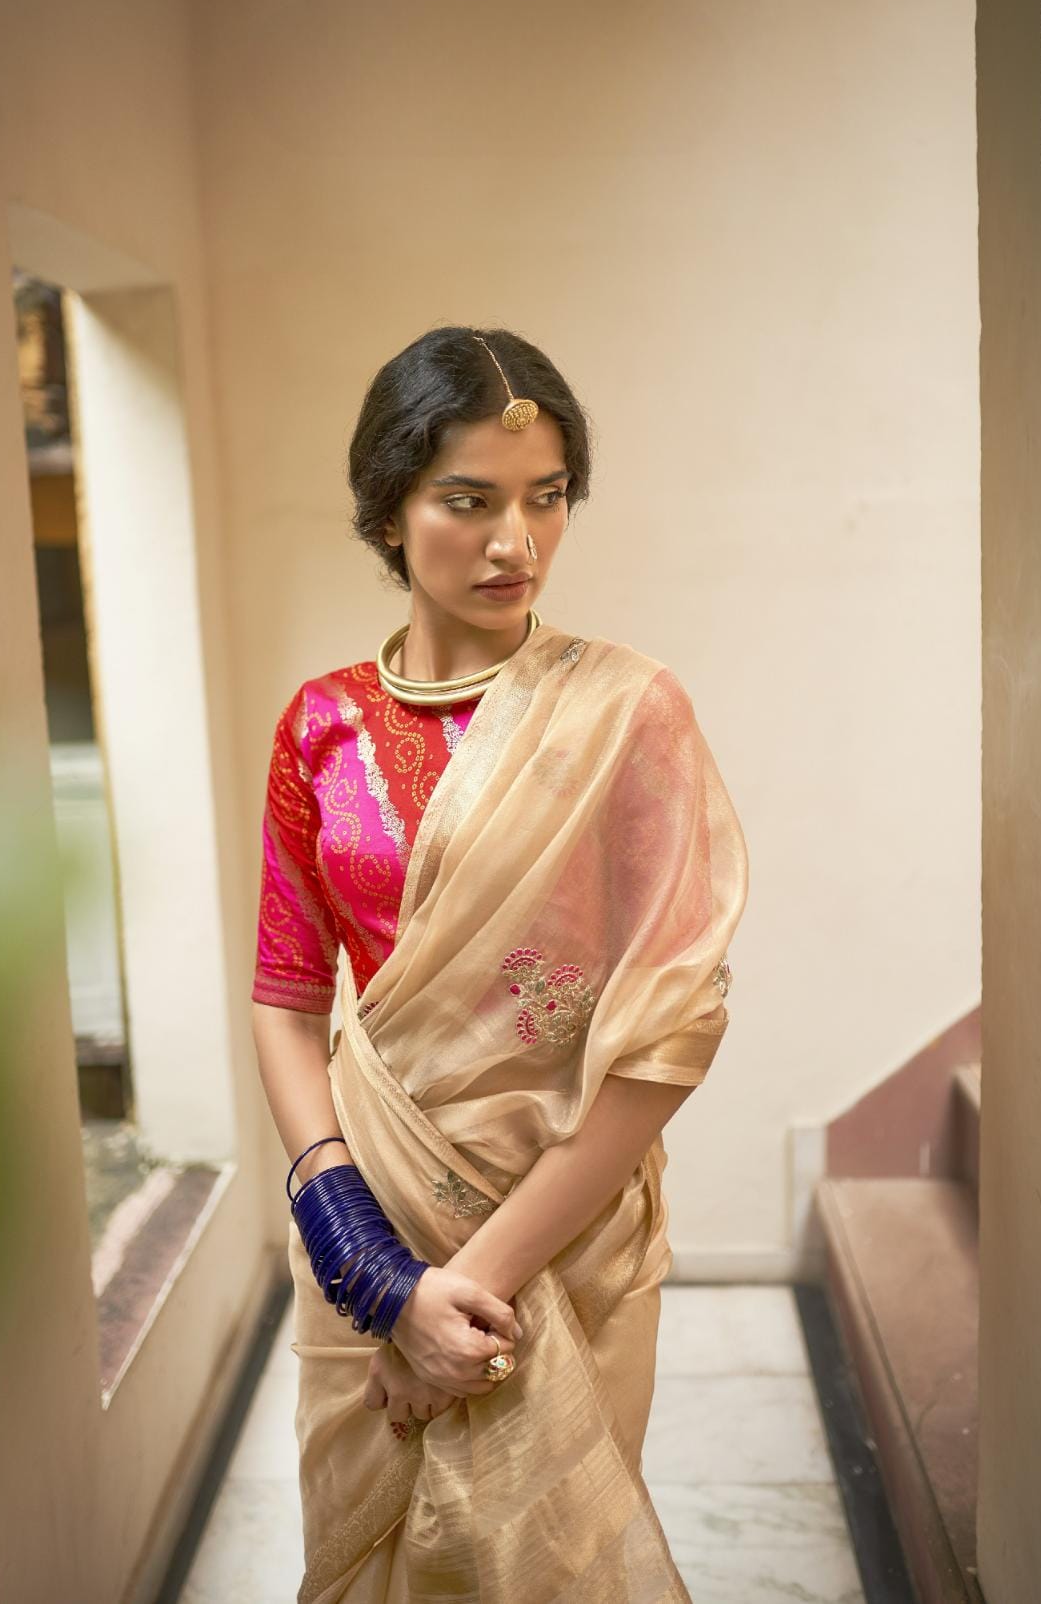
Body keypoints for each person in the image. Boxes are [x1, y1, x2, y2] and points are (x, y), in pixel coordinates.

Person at [251, 325, 749, 1603]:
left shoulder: (627, 716)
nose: (513, 542)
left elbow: (667, 1033)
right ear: (389, 507)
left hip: (559, 1241)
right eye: (468, 501)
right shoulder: (321, 727)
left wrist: (463, 1290)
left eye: (546, 499)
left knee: (547, 1560)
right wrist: (363, 1255)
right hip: (370, 1221)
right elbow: (288, 1000)